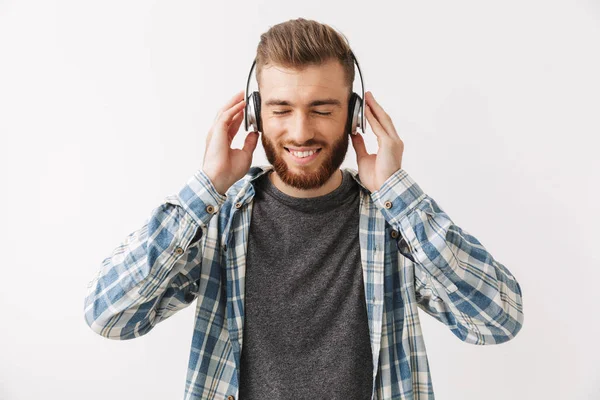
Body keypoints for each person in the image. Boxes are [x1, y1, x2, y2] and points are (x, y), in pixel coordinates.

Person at [84, 18, 524, 400]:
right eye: (281, 109)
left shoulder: (397, 225)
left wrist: (399, 193)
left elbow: (498, 320)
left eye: (321, 109)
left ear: (354, 116)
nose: (300, 132)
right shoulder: (218, 222)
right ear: (255, 113)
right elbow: (110, 315)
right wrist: (208, 187)